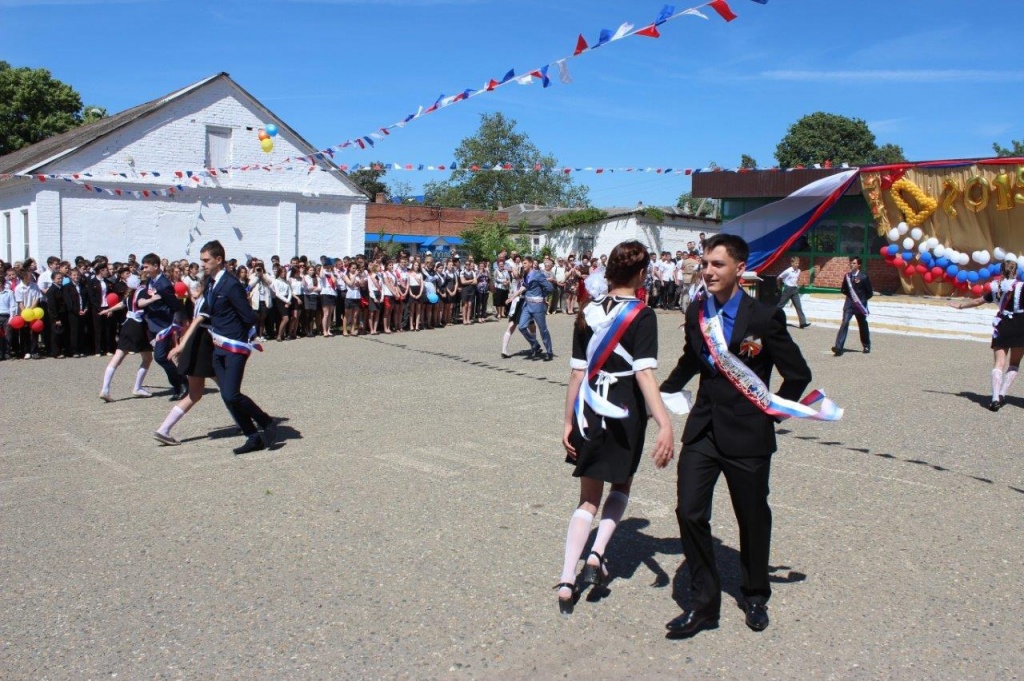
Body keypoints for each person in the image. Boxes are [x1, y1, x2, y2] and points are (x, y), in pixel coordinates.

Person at [659, 233, 812, 638]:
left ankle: (755, 592)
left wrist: (771, 413)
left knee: (752, 517)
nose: (707, 271)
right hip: (704, 428)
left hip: (748, 436)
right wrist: (664, 390)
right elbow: (693, 357)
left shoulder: (763, 317)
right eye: (705, 264)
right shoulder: (697, 312)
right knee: (689, 512)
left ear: (739, 269)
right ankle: (704, 604)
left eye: (717, 265)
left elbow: (798, 373)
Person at [555, 240, 675, 614]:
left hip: (590, 406)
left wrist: (568, 420)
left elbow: (577, 372)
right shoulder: (643, 314)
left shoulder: (586, 311)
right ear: (641, 274)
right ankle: (596, 554)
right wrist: (664, 421)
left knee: (587, 498)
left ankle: (565, 579)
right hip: (625, 408)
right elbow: (644, 373)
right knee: (620, 483)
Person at [198, 240, 278, 455]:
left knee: (232, 394)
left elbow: (248, 316)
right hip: (218, 347)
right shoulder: (212, 283)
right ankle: (253, 437)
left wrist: (239, 336)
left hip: (234, 347)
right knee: (226, 395)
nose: (202, 264)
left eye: (206, 260)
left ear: (218, 259)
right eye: (201, 260)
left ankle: (265, 420)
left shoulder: (231, 284)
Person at [949, 260, 1024, 411]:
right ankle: (1002, 394)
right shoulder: (1022, 286)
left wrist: (961, 306)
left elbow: (978, 301)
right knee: (1014, 363)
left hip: (1002, 325)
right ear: (1016, 272)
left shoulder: (996, 287)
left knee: (998, 364)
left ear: (1001, 272)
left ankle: (995, 398)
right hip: (1020, 326)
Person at [154, 274, 218, 445]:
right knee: (228, 388)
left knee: (194, 394)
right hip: (204, 347)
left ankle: (164, 429)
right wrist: (181, 345)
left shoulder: (200, 299)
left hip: (196, 345)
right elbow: (196, 323)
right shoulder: (208, 300)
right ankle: (246, 422)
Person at [99, 273, 154, 401]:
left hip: (127, 325)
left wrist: (108, 310)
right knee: (147, 358)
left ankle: (105, 389)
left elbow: (121, 304)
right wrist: (152, 299)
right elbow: (141, 303)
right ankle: (137, 387)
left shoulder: (130, 294)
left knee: (117, 358)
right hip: (138, 326)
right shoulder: (142, 291)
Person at [140, 253, 186, 399]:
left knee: (160, 357)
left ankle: (182, 383)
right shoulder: (150, 281)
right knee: (164, 357)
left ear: (155, 266)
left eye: (147, 266)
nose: (144, 269)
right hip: (152, 324)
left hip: (163, 326)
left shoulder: (164, 284)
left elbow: (173, 304)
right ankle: (179, 385)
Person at [517, 255, 555, 361]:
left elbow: (550, 288)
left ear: (530, 263)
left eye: (524, 263)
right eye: (522, 263)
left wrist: (542, 295)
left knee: (543, 330)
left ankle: (549, 351)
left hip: (538, 306)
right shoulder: (525, 274)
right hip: (527, 305)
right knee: (521, 326)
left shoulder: (538, 275)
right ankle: (536, 345)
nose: (522, 265)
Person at [833, 256, 872, 356]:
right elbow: (843, 289)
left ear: (859, 265)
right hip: (849, 305)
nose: (852, 264)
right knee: (845, 322)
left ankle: (866, 345)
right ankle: (838, 347)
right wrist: (851, 298)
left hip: (860, 305)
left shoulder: (863, 277)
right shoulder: (847, 276)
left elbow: (869, 293)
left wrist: (861, 300)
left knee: (862, 325)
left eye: (854, 263)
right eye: (851, 263)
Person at [777, 256, 811, 329]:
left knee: (798, 306)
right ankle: (771, 318)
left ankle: (802, 323)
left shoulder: (798, 271)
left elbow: (796, 279)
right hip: (788, 289)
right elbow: (779, 277)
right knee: (781, 305)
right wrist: (779, 286)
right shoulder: (788, 271)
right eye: (795, 263)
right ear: (792, 263)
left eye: (798, 263)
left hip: (794, 289)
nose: (797, 265)